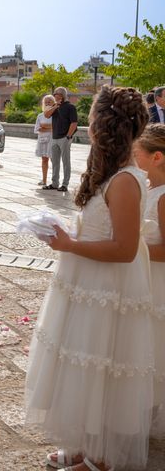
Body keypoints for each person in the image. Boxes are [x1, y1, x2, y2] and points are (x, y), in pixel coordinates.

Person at [25, 86, 155, 471]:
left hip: (108, 287)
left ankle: (101, 459)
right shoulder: (109, 172)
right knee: (81, 365)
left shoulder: (126, 181)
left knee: (101, 363)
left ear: (102, 126)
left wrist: (69, 245)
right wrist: (65, 232)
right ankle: (85, 445)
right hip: (87, 281)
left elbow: (124, 249)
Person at [133, 124, 165, 426]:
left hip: (158, 281)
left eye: (137, 151)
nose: (133, 154)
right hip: (144, 275)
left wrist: (133, 246)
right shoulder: (147, 186)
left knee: (156, 343)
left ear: (156, 157)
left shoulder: (164, 196)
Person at [42, 86, 78, 192]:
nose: (54, 96)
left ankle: (65, 184)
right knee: (55, 162)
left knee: (66, 162)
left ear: (61, 95)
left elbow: (74, 123)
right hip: (55, 137)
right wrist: (55, 106)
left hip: (64, 138)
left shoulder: (70, 107)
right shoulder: (55, 106)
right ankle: (54, 183)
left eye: (55, 94)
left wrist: (68, 136)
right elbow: (46, 115)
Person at [33, 94, 55, 186]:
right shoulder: (40, 116)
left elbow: (56, 128)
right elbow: (37, 129)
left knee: (54, 160)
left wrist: (45, 126)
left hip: (53, 140)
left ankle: (55, 181)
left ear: (53, 103)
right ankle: (44, 180)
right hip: (42, 140)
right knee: (44, 160)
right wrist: (50, 127)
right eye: (46, 102)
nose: (47, 103)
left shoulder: (56, 116)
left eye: (49, 101)